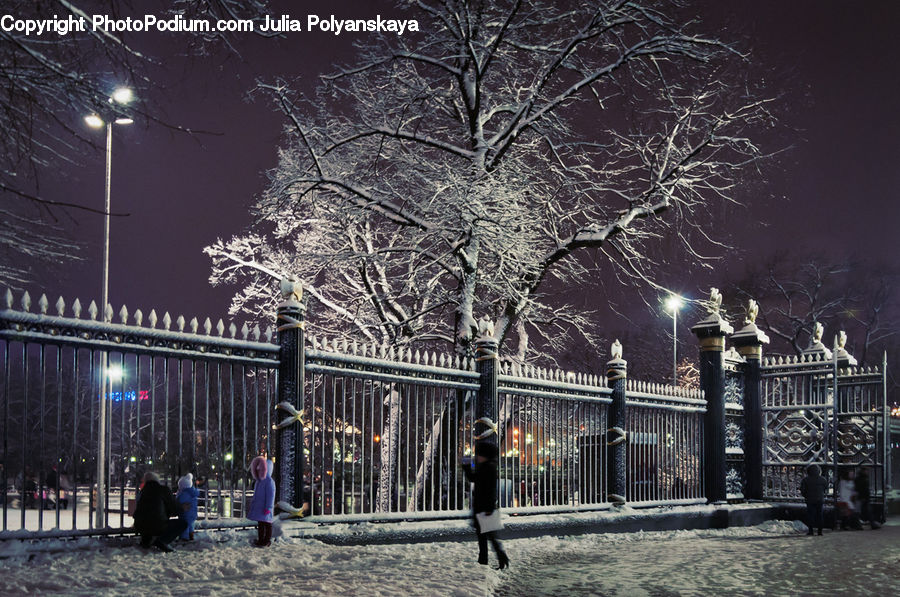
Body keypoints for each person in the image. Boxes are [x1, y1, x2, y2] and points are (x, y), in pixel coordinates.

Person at [463, 443, 509, 569]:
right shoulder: (486, 466)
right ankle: (491, 559)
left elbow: (488, 488)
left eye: (479, 454)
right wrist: (468, 466)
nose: (477, 456)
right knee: (486, 536)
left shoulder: (488, 468)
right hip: (482, 506)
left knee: (486, 536)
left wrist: (488, 508)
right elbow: (474, 478)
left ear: (485, 455)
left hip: (484, 507)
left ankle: (494, 559)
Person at [133, 472, 187, 552]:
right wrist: (182, 507)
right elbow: (175, 508)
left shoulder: (142, 492)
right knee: (182, 523)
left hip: (139, 525)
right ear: (157, 480)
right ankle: (162, 541)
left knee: (148, 521)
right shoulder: (163, 490)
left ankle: (146, 541)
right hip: (157, 524)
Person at [248, 456, 275, 547]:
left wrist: (269, 507)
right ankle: (261, 540)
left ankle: (267, 540)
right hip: (260, 507)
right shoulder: (259, 481)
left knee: (267, 524)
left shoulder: (269, 482)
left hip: (265, 508)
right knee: (261, 524)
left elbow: (271, 496)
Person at [799, 464, 828, 536]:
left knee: (810, 515)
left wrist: (806, 496)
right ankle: (820, 531)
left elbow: (802, 490)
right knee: (820, 515)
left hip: (810, 500)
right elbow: (825, 488)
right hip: (819, 499)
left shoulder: (805, 480)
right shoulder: (822, 479)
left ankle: (811, 531)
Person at [176, 473, 199, 540]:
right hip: (192, 513)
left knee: (184, 526)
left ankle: (184, 538)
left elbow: (180, 502)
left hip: (186, 513)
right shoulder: (192, 493)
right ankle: (191, 536)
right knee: (190, 525)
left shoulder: (184, 494)